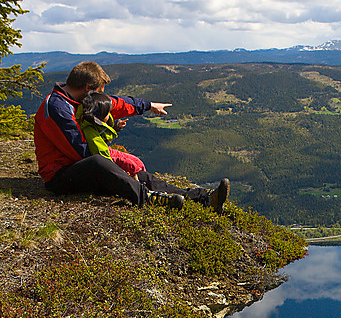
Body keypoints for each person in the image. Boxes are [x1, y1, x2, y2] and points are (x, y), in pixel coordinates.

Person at [34, 61, 229, 212]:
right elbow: (80, 152)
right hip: (59, 176)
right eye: (99, 91)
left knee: (138, 173)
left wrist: (148, 105)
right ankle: (147, 198)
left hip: (81, 166)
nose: (102, 96)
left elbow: (115, 104)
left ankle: (203, 199)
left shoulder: (77, 100)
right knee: (99, 163)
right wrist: (120, 163)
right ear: (87, 87)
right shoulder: (56, 108)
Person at [77, 90, 146, 179]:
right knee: (132, 166)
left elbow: (103, 133)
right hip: (106, 155)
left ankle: (142, 180)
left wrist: (116, 126)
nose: (109, 115)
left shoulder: (93, 122)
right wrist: (112, 168)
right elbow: (100, 152)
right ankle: (137, 184)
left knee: (138, 162)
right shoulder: (90, 130)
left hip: (108, 151)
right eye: (107, 113)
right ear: (100, 115)